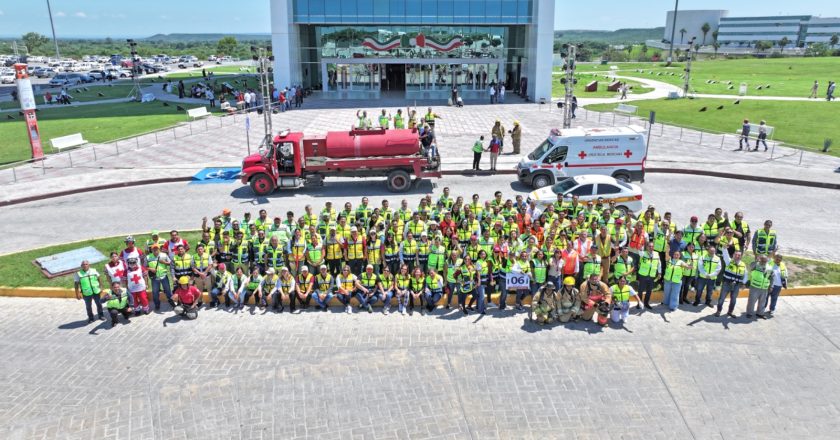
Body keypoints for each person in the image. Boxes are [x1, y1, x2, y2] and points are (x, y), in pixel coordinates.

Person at [715, 249, 747, 318]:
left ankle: (730, 312)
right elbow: (725, 254)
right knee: (721, 299)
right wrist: (724, 248)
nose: (737, 256)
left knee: (733, 300)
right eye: (736, 255)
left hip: (736, 285)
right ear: (733, 255)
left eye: (739, 255)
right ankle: (718, 311)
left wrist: (744, 283)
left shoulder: (743, 264)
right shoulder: (729, 261)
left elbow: (745, 274)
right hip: (727, 284)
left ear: (741, 256)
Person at [147, 246, 173, 311]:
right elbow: (144, 266)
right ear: (151, 250)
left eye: (156, 249)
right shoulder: (148, 257)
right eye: (153, 249)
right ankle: (157, 305)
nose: (155, 250)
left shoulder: (164, 255)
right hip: (154, 277)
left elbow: (170, 263)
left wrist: (164, 262)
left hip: (164, 276)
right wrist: (150, 269)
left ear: (159, 249)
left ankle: (171, 302)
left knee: (168, 290)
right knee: (155, 292)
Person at [745, 254, 771, 319]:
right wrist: (756, 261)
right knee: (752, 301)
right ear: (760, 260)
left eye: (765, 261)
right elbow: (750, 266)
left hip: (764, 287)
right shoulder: (756, 265)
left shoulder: (769, 267)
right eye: (762, 260)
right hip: (755, 286)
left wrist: (771, 286)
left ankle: (760, 313)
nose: (763, 262)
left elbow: (771, 277)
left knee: (762, 302)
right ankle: (749, 313)